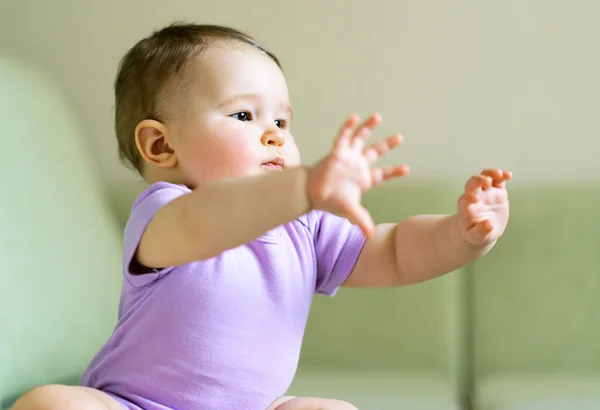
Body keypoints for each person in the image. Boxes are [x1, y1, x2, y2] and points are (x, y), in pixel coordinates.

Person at [12, 22, 512, 410]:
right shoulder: (165, 213)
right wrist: (302, 187)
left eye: (281, 120)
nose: (274, 134)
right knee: (49, 402)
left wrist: (461, 234)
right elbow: (203, 225)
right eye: (243, 115)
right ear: (162, 145)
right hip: (136, 404)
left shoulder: (304, 225)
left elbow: (396, 252)